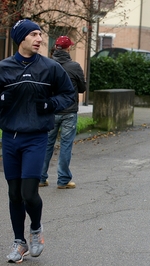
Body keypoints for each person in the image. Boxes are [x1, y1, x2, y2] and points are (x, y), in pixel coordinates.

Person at [0, 19, 75, 263]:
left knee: (29, 193)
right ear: (21, 38)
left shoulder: (50, 67)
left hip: (35, 137)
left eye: (40, 34)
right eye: (33, 34)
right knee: (13, 194)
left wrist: (50, 104)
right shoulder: (4, 68)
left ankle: (36, 229)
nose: (40, 39)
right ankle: (19, 242)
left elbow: (69, 94)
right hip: (10, 138)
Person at [40, 36, 86, 189]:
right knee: (66, 145)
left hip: (51, 110)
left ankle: (41, 178)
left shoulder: (46, 64)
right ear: (68, 49)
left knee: (46, 144)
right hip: (69, 111)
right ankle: (63, 180)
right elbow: (82, 88)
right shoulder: (74, 66)